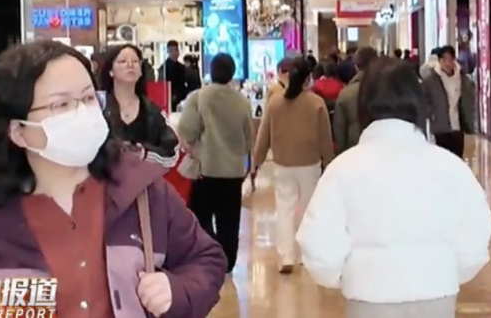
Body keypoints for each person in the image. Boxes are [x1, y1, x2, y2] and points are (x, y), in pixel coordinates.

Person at [0, 41, 226, 318]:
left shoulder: (142, 193)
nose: (82, 113)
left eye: (89, 98)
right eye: (61, 105)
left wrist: (178, 290)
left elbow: (206, 260)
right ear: (17, 130)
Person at [295, 58, 491, 318]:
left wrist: (346, 275)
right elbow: (477, 232)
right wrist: (445, 269)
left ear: (364, 105)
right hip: (435, 293)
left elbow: (319, 243)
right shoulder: (448, 166)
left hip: (368, 296)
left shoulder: (343, 169)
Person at [176, 53, 257, 274]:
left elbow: (186, 131)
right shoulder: (241, 101)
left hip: (206, 169)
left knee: (200, 216)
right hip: (233, 171)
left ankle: (211, 254)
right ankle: (228, 260)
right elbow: (249, 138)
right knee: (230, 220)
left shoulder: (198, 97)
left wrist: (193, 148)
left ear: (210, 70)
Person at [253, 59, 335, 273]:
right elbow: (325, 136)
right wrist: (329, 161)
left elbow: (263, 136)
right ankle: (306, 255)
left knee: (285, 209)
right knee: (309, 209)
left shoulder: (275, 102)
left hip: (282, 163)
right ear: (309, 78)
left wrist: (256, 161)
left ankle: (286, 256)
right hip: (310, 163)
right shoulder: (316, 103)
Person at [99, 44, 178, 167]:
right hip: (103, 180)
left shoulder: (152, 111)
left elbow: (171, 154)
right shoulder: (98, 106)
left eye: (135, 61)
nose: (130, 65)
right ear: (110, 71)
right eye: (122, 61)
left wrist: (145, 153)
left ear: (141, 71)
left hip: (143, 183)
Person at [421, 45, 477, 159]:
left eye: (450, 59)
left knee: (457, 157)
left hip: (457, 125)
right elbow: (424, 100)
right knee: (443, 158)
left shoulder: (463, 79)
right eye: (444, 59)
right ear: (439, 61)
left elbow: (469, 99)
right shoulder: (431, 81)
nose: (447, 63)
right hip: (440, 126)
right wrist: (431, 114)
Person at [333, 46, 378, 154]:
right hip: (383, 151)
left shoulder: (346, 94)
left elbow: (340, 131)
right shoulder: (387, 88)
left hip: (354, 150)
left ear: (356, 66)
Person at [162, 39, 191, 110]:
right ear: (169, 51)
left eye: (177, 50)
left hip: (182, 97)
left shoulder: (181, 67)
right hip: (171, 99)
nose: (177, 52)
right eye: (175, 50)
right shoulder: (164, 68)